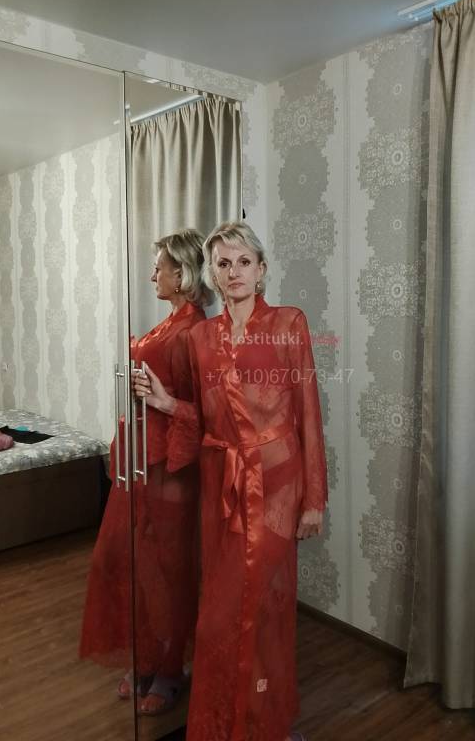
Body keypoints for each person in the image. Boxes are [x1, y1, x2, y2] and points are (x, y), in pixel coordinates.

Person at [136, 221, 327, 741]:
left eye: (244, 262)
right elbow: (203, 419)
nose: (234, 271)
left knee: (262, 606)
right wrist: (165, 402)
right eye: (223, 264)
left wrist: (314, 498)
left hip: (277, 485)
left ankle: (267, 724)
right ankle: (229, 724)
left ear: (261, 270)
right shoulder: (200, 338)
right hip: (220, 485)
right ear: (213, 275)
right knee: (221, 611)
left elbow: (308, 413)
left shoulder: (289, 323)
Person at [79, 229, 211, 715]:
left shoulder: (195, 329)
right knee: (131, 563)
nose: (153, 274)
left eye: (160, 267)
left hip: (168, 465)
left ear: (182, 273)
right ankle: (149, 657)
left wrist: (160, 400)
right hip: (140, 460)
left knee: (169, 570)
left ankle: (170, 669)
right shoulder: (170, 322)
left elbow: (206, 411)